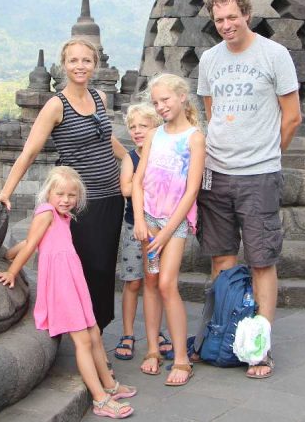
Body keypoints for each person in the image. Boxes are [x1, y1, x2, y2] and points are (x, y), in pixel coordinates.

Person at [0, 38, 126, 331]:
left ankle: (97, 330)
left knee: (104, 268)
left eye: (86, 60)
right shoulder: (56, 105)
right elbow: (29, 152)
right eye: (73, 60)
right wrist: (6, 192)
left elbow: (106, 139)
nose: (80, 66)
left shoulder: (99, 97)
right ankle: (84, 330)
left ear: (95, 64)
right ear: (64, 65)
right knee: (86, 266)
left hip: (111, 196)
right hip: (79, 201)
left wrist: (131, 161)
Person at [196, 0, 302, 379]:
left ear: (247, 15)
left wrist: (268, 153)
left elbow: (292, 116)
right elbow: (212, 112)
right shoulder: (210, 59)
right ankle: (221, 335)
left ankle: (259, 347)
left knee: (261, 260)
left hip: (259, 174)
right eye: (219, 20)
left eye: (232, 17)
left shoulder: (274, 55)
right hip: (216, 172)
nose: (226, 25)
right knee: (221, 259)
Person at [0, 167, 136, 419]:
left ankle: (109, 384)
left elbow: (29, 242)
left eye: (71, 195)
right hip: (61, 283)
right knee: (83, 340)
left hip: (73, 279)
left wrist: (6, 255)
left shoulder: (64, 217)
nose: (66, 199)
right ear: (48, 193)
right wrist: (12, 271)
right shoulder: (46, 212)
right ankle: (100, 399)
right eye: (60, 194)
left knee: (94, 332)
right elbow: (31, 244)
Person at [132, 74, 205, 387]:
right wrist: (139, 220)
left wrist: (166, 232)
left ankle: (181, 358)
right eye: (156, 102)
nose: (161, 106)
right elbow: (138, 181)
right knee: (150, 281)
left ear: (182, 97)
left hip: (174, 224)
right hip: (149, 218)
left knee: (166, 283)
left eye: (166, 100)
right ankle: (152, 349)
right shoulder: (154, 135)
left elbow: (192, 190)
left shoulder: (194, 138)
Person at [113, 102, 173, 362]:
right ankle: (128, 333)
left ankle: (155, 331)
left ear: (156, 127)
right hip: (133, 227)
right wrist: (149, 182)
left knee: (155, 281)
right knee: (133, 281)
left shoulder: (165, 155)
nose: (137, 131)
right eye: (133, 127)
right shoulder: (131, 157)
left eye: (143, 126)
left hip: (160, 228)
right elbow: (126, 189)